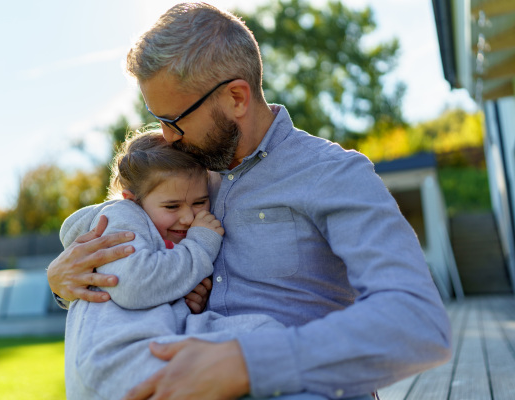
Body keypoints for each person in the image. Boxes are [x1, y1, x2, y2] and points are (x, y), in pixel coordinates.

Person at [47, 3, 452, 399]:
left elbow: (418, 323)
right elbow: (129, 248)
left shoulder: (333, 173)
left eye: (175, 121)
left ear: (237, 98)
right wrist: (67, 281)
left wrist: (247, 363)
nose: (167, 138)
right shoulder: (185, 181)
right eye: (158, 121)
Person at [61, 130, 287, 400]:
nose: (188, 217)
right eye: (172, 206)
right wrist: (200, 246)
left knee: (264, 334)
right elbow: (134, 285)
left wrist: (180, 302)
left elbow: (147, 292)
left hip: (152, 345)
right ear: (133, 199)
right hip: (119, 365)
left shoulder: (158, 230)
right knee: (266, 343)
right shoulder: (118, 217)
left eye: (200, 202)